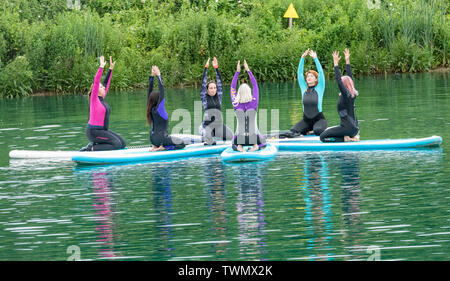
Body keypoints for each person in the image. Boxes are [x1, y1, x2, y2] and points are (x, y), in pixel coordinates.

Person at [81, 56, 126, 151]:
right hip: (93, 131)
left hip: (102, 131)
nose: (104, 88)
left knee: (122, 143)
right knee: (116, 144)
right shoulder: (94, 99)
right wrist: (101, 67)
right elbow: (96, 82)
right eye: (101, 88)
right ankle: (91, 148)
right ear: (96, 90)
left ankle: (98, 146)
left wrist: (110, 69)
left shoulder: (101, 99)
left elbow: (106, 83)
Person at [280, 49, 327, 138]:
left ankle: (313, 130)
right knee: (293, 131)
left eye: (311, 76)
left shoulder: (320, 87)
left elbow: (321, 72)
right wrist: (302, 58)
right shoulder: (303, 88)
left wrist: (315, 58)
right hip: (306, 120)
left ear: (316, 79)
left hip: (319, 120)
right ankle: (308, 130)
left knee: (318, 131)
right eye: (308, 76)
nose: (308, 77)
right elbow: (299, 73)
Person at [320, 48, 359, 142]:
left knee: (322, 137)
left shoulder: (346, 94)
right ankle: (349, 137)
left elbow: (338, 81)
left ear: (344, 85)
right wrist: (347, 61)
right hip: (354, 129)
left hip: (347, 128)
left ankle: (345, 139)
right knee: (330, 130)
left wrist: (335, 64)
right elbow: (349, 77)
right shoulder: (352, 95)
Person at [147, 65, 186, 151]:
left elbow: (149, 93)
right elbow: (162, 91)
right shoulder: (159, 109)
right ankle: (164, 147)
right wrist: (159, 76)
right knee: (182, 143)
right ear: (158, 100)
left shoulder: (149, 109)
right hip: (162, 139)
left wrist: (152, 77)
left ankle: (156, 146)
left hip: (152, 139)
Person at [230, 60, 266, 152]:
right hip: (254, 138)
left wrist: (237, 72)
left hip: (239, 139)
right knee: (264, 142)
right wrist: (248, 70)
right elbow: (255, 85)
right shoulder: (254, 102)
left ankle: (239, 147)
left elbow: (232, 87)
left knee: (233, 143)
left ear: (239, 93)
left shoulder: (236, 103)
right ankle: (256, 146)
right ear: (249, 92)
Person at [199, 57, 233, 145]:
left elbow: (220, 83)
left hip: (218, 126)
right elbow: (203, 83)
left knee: (232, 138)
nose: (213, 90)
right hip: (207, 127)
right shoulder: (204, 97)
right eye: (211, 88)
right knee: (210, 141)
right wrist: (206, 68)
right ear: (207, 90)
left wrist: (216, 68)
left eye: (214, 88)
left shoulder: (219, 96)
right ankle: (205, 137)